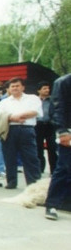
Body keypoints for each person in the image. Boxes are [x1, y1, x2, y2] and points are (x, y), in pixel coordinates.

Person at [0, 77, 42, 190]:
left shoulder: (32, 98)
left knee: (30, 157)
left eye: (17, 86)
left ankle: (33, 182)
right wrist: (12, 118)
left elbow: (35, 112)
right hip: (9, 130)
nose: (15, 88)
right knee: (9, 156)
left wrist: (15, 116)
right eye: (12, 86)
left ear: (23, 87)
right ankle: (11, 181)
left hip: (27, 130)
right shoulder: (4, 102)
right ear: (9, 89)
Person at [43, 73, 71, 220]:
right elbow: (57, 108)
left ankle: (65, 202)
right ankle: (51, 204)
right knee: (65, 168)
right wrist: (62, 131)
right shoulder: (64, 82)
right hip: (68, 131)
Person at [35, 81, 57, 175]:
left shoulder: (53, 100)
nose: (47, 90)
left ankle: (54, 169)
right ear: (39, 90)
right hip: (38, 125)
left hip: (50, 125)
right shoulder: (34, 100)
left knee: (52, 147)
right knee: (38, 148)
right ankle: (40, 168)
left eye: (48, 88)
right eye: (44, 88)